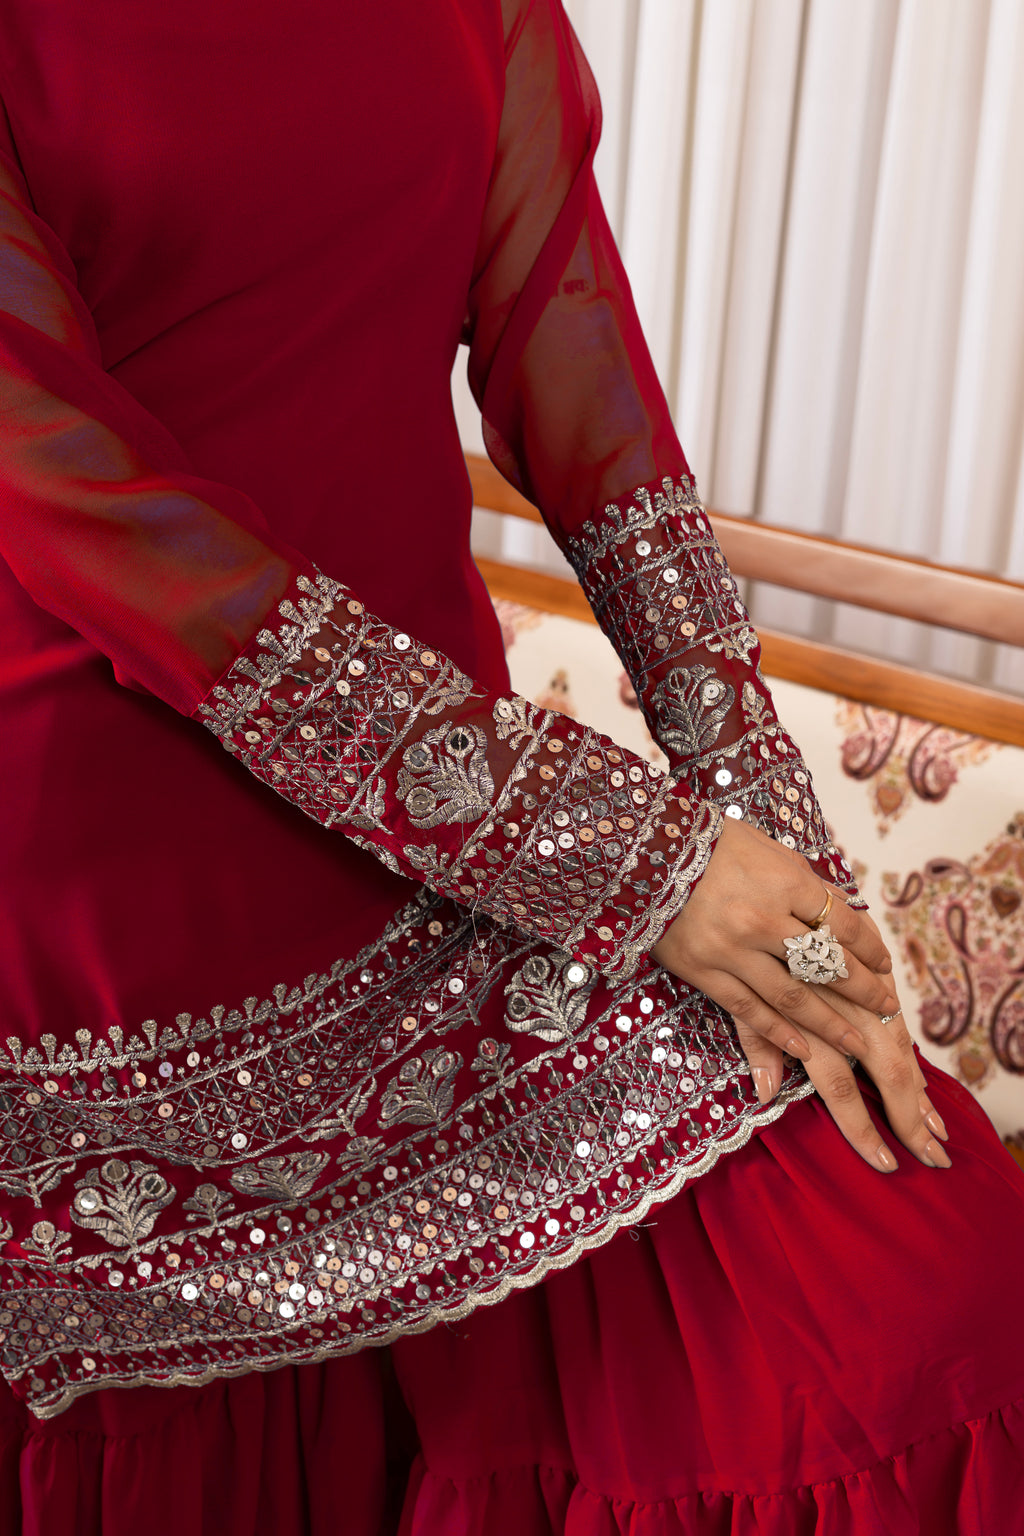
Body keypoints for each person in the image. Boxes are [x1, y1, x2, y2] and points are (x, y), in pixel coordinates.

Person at [0, 2, 1021, 1531]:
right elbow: (55, 470)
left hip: (452, 844)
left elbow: (571, 353)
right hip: (118, 855)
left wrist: (755, 822)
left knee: (925, 1290)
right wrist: (628, 854)